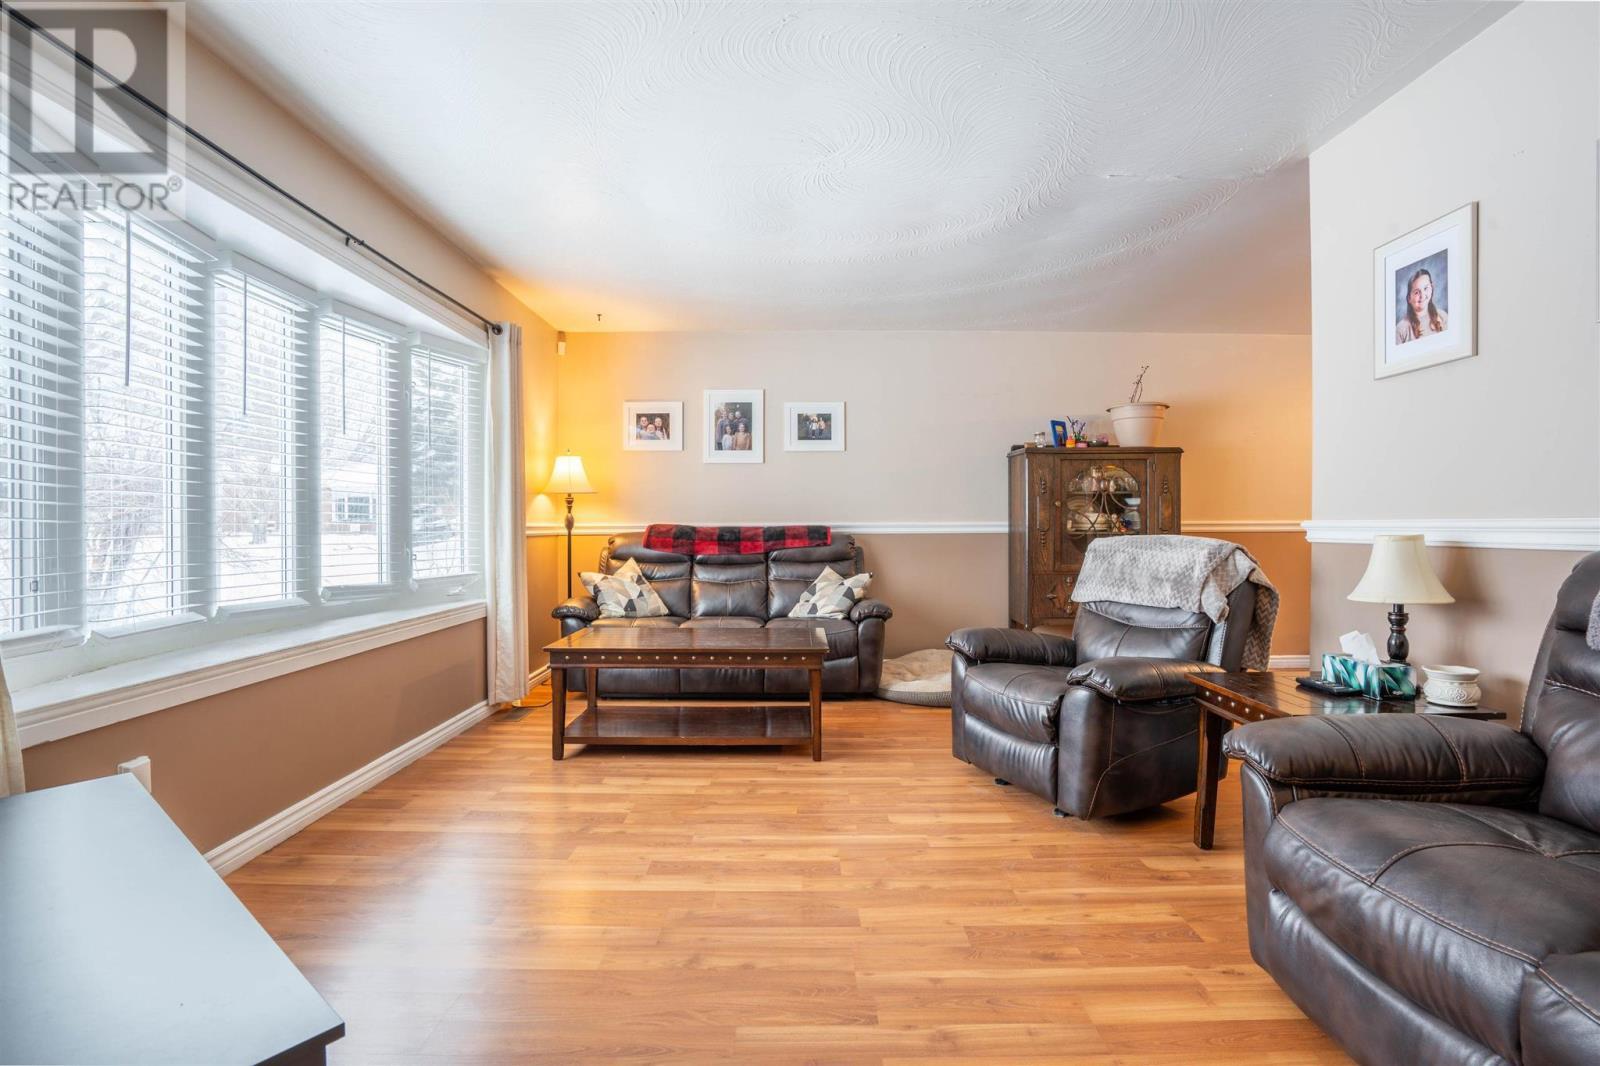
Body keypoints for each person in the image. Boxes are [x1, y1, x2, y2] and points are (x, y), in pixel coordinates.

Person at [1396, 267, 1448, 344]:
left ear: (1432, 288)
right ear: (1409, 298)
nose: (1422, 295)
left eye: (1426, 288)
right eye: (1417, 292)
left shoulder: (1443, 316)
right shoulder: (1401, 329)